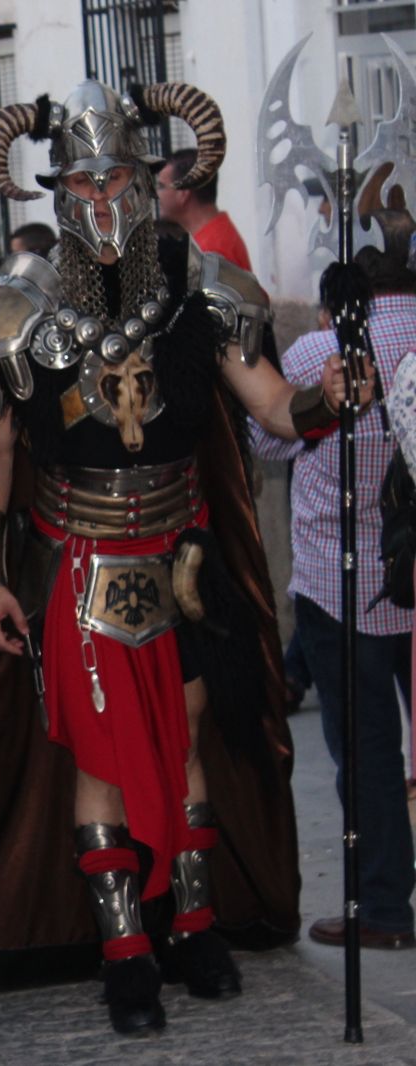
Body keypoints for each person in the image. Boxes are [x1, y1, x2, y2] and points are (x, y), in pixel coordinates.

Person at [0, 79, 337, 1036]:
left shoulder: (200, 288)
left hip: (184, 560)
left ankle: (193, 927)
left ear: (145, 181)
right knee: (103, 758)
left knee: (185, 743)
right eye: (82, 181)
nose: (102, 197)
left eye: (116, 177)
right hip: (79, 566)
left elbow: (276, 407)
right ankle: (126, 955)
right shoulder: (20, 309)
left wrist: (336, 398)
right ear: (59, 191)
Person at [252, 219, 415, 949]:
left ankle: (383, 908)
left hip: (341, 577)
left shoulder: (325, 351)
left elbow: (266, 435)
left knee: (369, 750)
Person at [158, 147, 251, 270]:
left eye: (161, 186)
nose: (156, 194)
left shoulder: (210, 252)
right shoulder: (215, 236)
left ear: (183, 193)